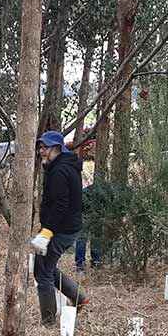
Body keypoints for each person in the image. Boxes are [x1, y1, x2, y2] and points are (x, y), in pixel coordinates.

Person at [29, 130, 89, 325]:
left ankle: (48, 321)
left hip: (60, 229)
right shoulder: (63, 166)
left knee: (43, 273)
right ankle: (78, 296)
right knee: (45, 267)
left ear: (56, 148)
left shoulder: (59, 171)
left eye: (45, 147)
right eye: (40, 147)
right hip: (63, 227)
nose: (41, 151)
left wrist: (47, 232)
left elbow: (60, 205)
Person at [73, 140, 102, 273]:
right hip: (87, 201)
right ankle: (85, 263)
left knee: (88, 234)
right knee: (86, 235)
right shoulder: (92, 166)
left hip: (88, 201)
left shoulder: (80, 165)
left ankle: (85, 263)